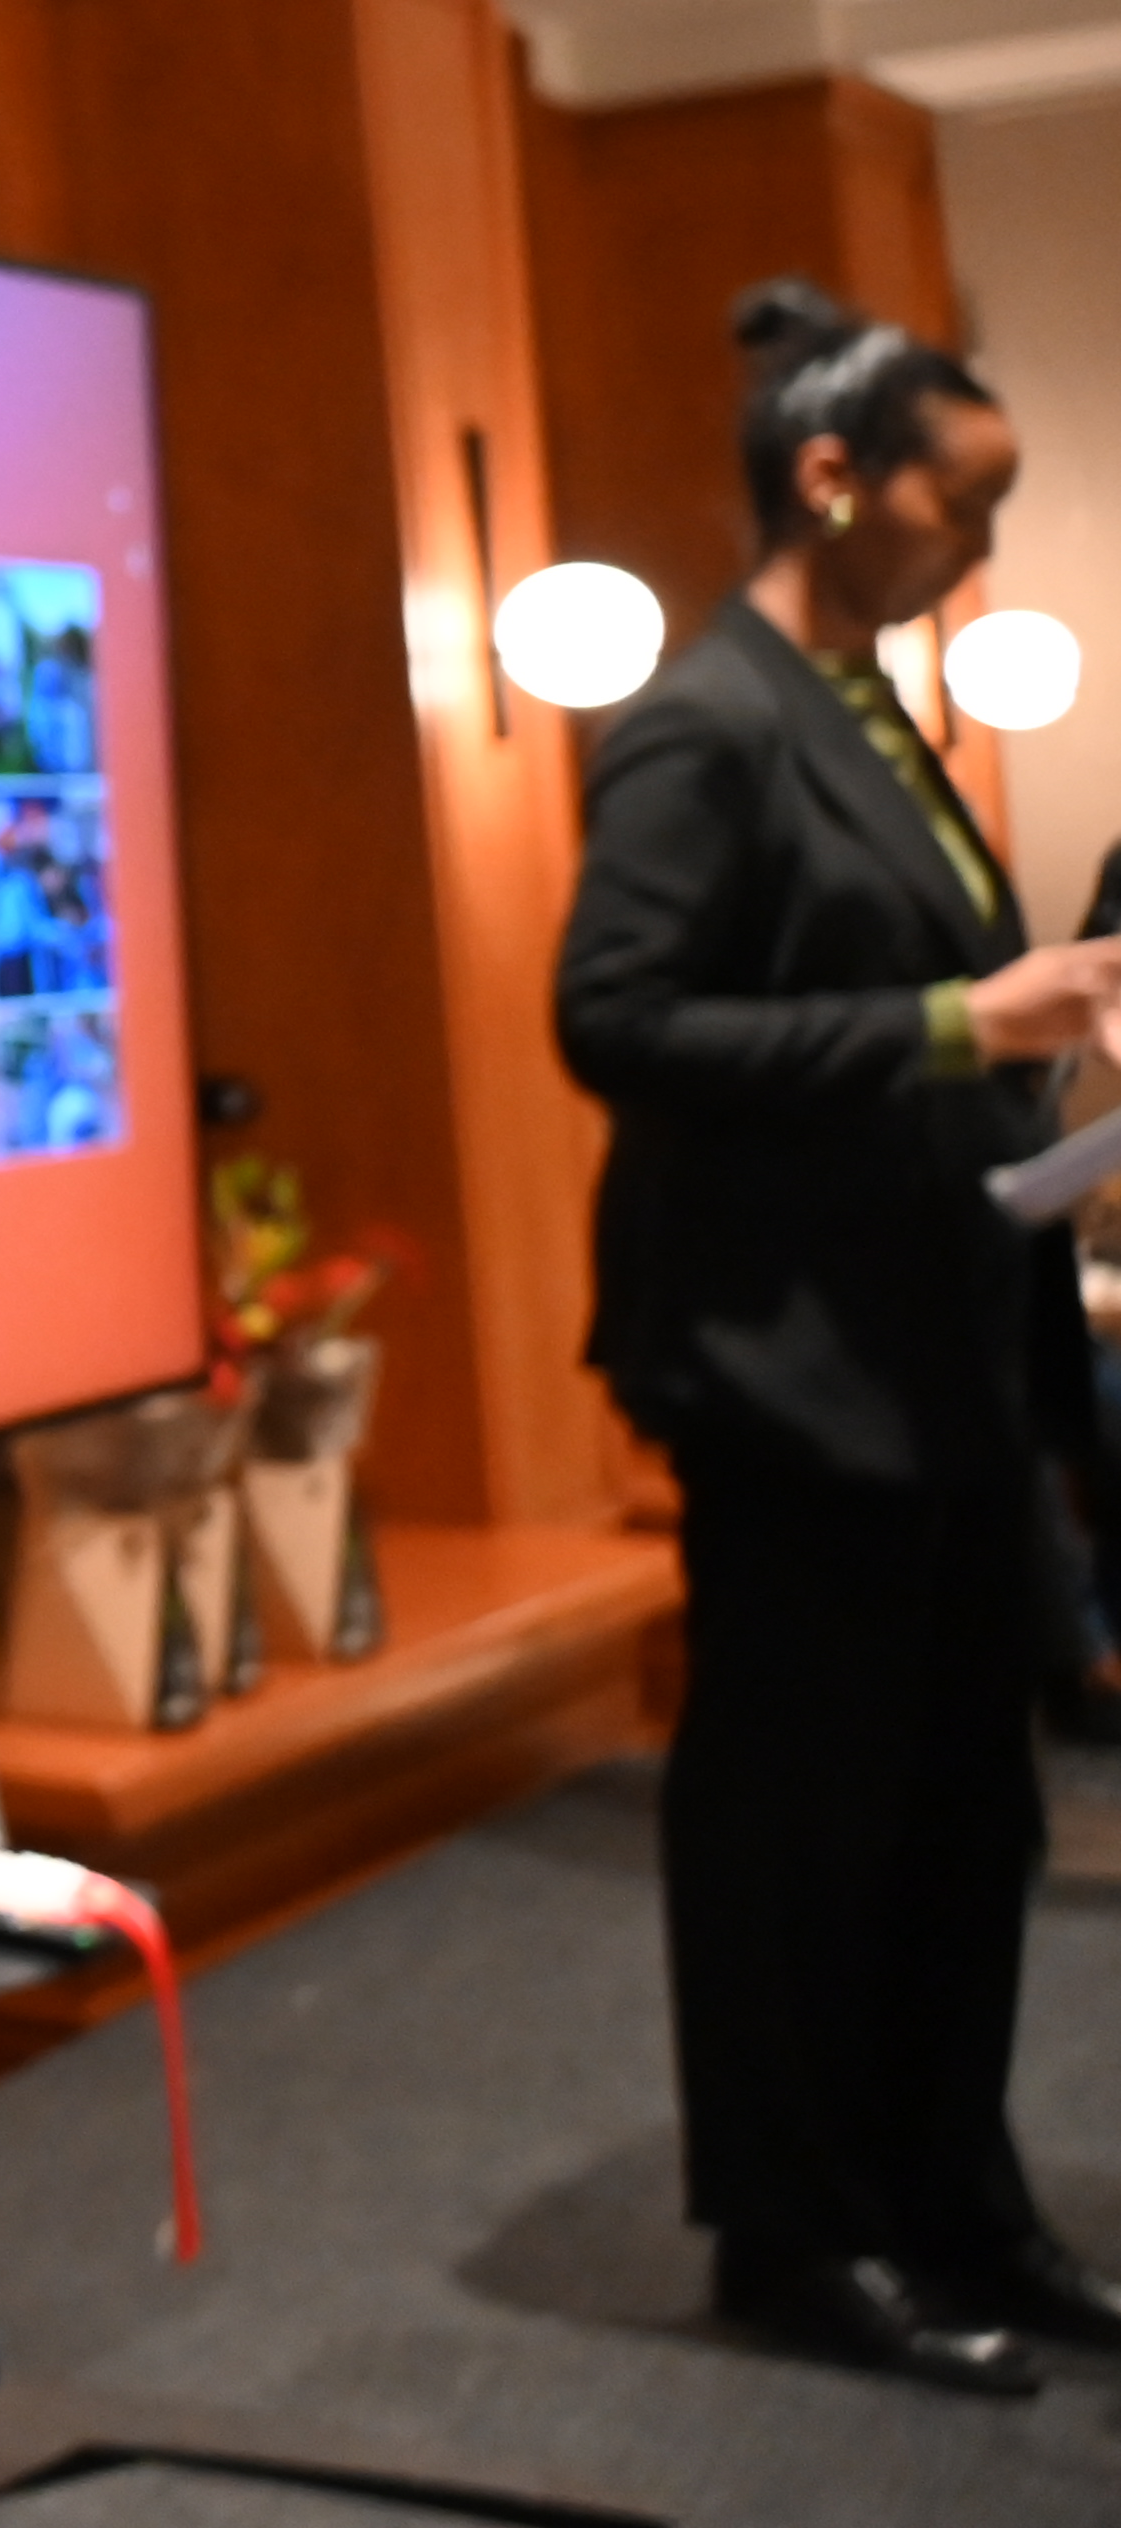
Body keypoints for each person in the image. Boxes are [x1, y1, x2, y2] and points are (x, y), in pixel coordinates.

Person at [564, 276, 1121, 2396]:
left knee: (962, 1812)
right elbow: (614, 1019)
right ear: (828, 477)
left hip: (931, 1347)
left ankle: (955, 2201)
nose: (976, 544)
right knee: (807, 1821)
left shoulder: (867, 706)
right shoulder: (706, 720)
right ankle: (799, 2235)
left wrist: (1035, 1070)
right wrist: (958, 1020)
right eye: (958, 501)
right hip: (788, 1364)